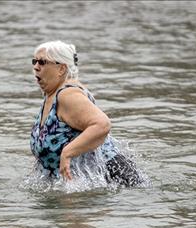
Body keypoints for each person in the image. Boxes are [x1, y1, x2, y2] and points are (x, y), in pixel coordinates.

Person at [30, 40, 143, 187]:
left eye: (42, 62)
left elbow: (102, 124)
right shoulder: (51, 94)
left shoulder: (68, 95)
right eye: (34, 61)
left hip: (115, 179)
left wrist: (67, 153)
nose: (36, 67)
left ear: (61, 69)